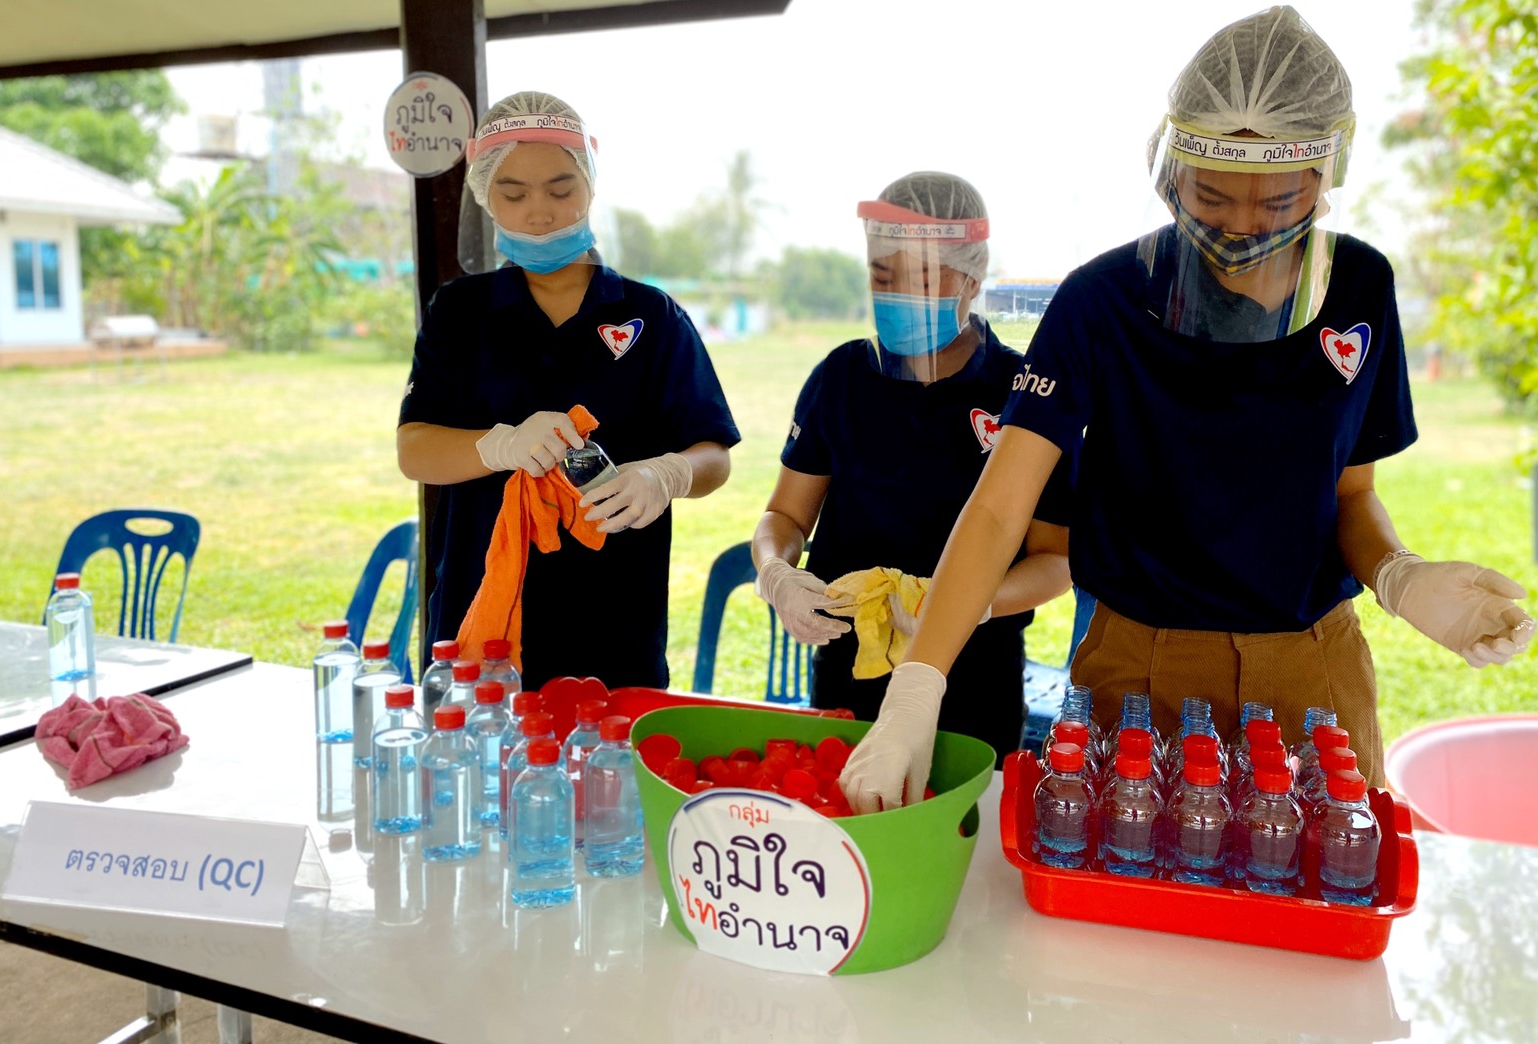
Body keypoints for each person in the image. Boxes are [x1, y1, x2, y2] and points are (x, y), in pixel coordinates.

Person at [839, 7, 1537, 813]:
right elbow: (1000, 507)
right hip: (1141, 672)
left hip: (1310, 669)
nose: (1240, 226)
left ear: (1328, 172)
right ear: (1169, 168)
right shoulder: (1102, 301)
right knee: (1126, 874)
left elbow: (1350, 493)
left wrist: (1399, 575)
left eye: (1278, 202)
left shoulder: (1358, 289)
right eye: (1211, 195)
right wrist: (918, 685)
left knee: (1316, 870)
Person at [397, 90, 740, 690]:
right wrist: (498, 446)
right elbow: (415, 450)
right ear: (485, 195)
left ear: (590, 186)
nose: (540, 213)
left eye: (561, 190)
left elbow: (713, 453)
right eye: (513, 194)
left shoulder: (649, 315)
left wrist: (665, 475)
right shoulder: (460, 312)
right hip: (484, 618)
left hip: (615, 621)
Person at [752, 172, 1073, 765]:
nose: (898, 293)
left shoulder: (1022, 391)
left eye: (922, 278)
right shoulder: (841, 378)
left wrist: (968, 603)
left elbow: (1056, 560)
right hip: (848, 669)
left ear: (972, 277)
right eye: (883, 277)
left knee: (958, 817)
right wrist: (776, 571)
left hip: (974, 677)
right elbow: (785, 515)